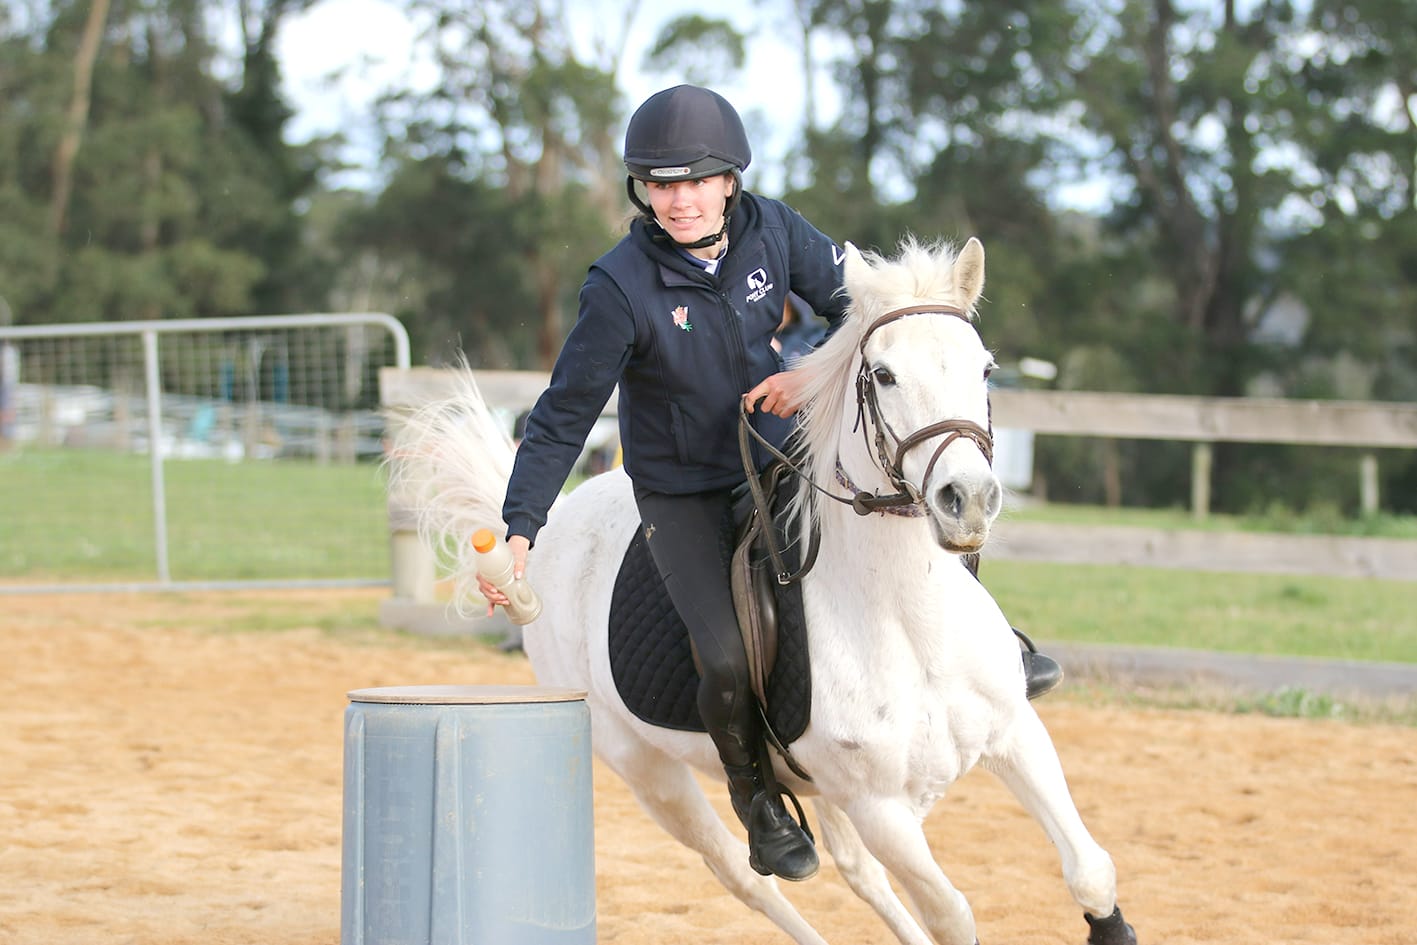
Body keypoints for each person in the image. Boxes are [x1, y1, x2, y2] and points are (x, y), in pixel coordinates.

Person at [478, 84, 1059, 882]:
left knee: (909, 509)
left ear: (728, 182)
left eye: (694, 180)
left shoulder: (774, 230)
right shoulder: (616, 288)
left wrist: (809, 378)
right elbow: (561, 415)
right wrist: (519, 530)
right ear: (642, 191)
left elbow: (863, 311)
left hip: (778, 456)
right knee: (720, 653)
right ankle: (758, 802)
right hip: (681, 493)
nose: (678, 200)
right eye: (660, 183)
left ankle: (998, 652)